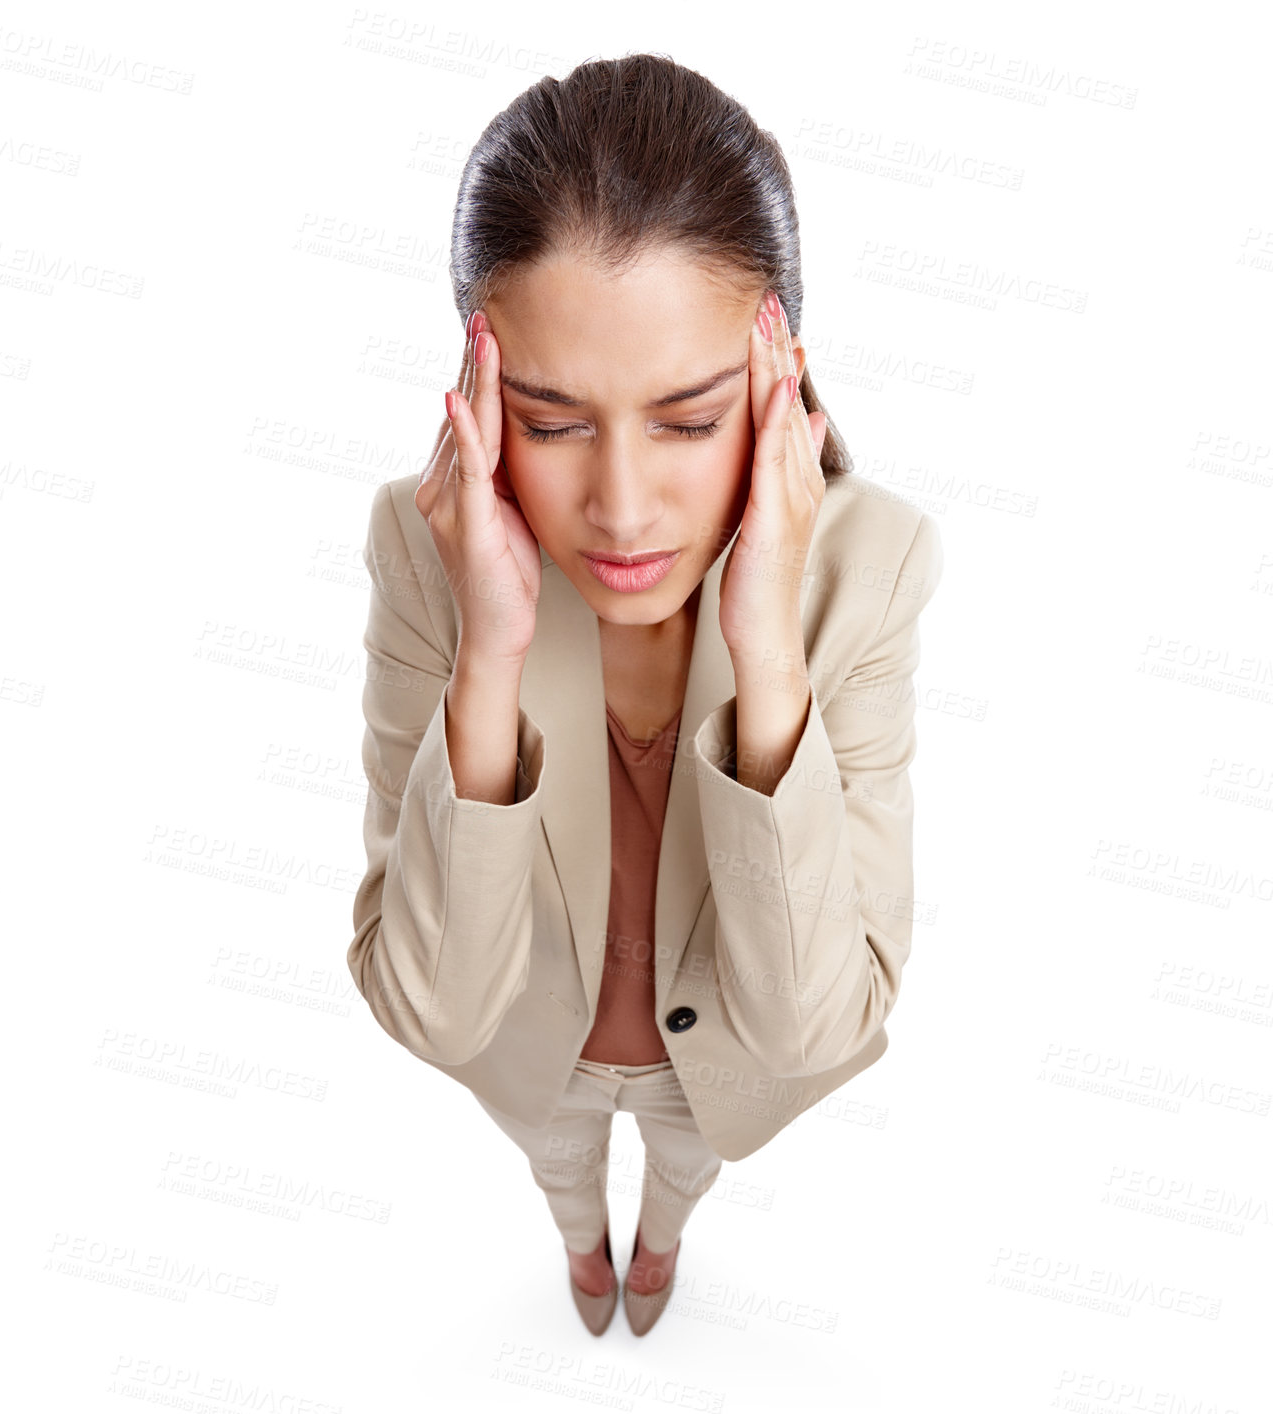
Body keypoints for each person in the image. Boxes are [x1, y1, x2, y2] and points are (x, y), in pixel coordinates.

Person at [346, 52, 944, 1337]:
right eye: (555, 422)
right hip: (537, 1052)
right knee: (562, 1165)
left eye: (689, 418)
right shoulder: (424, 543)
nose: (621, 508)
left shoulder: (868, 563)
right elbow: (437, 1006)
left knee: (682, 1166)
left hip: (712, 1064)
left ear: (779, 376)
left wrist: (770, 650)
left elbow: (810, 1024)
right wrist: (489, 651)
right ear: (482, 386)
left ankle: (659, 1236)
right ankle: (582, 1238)